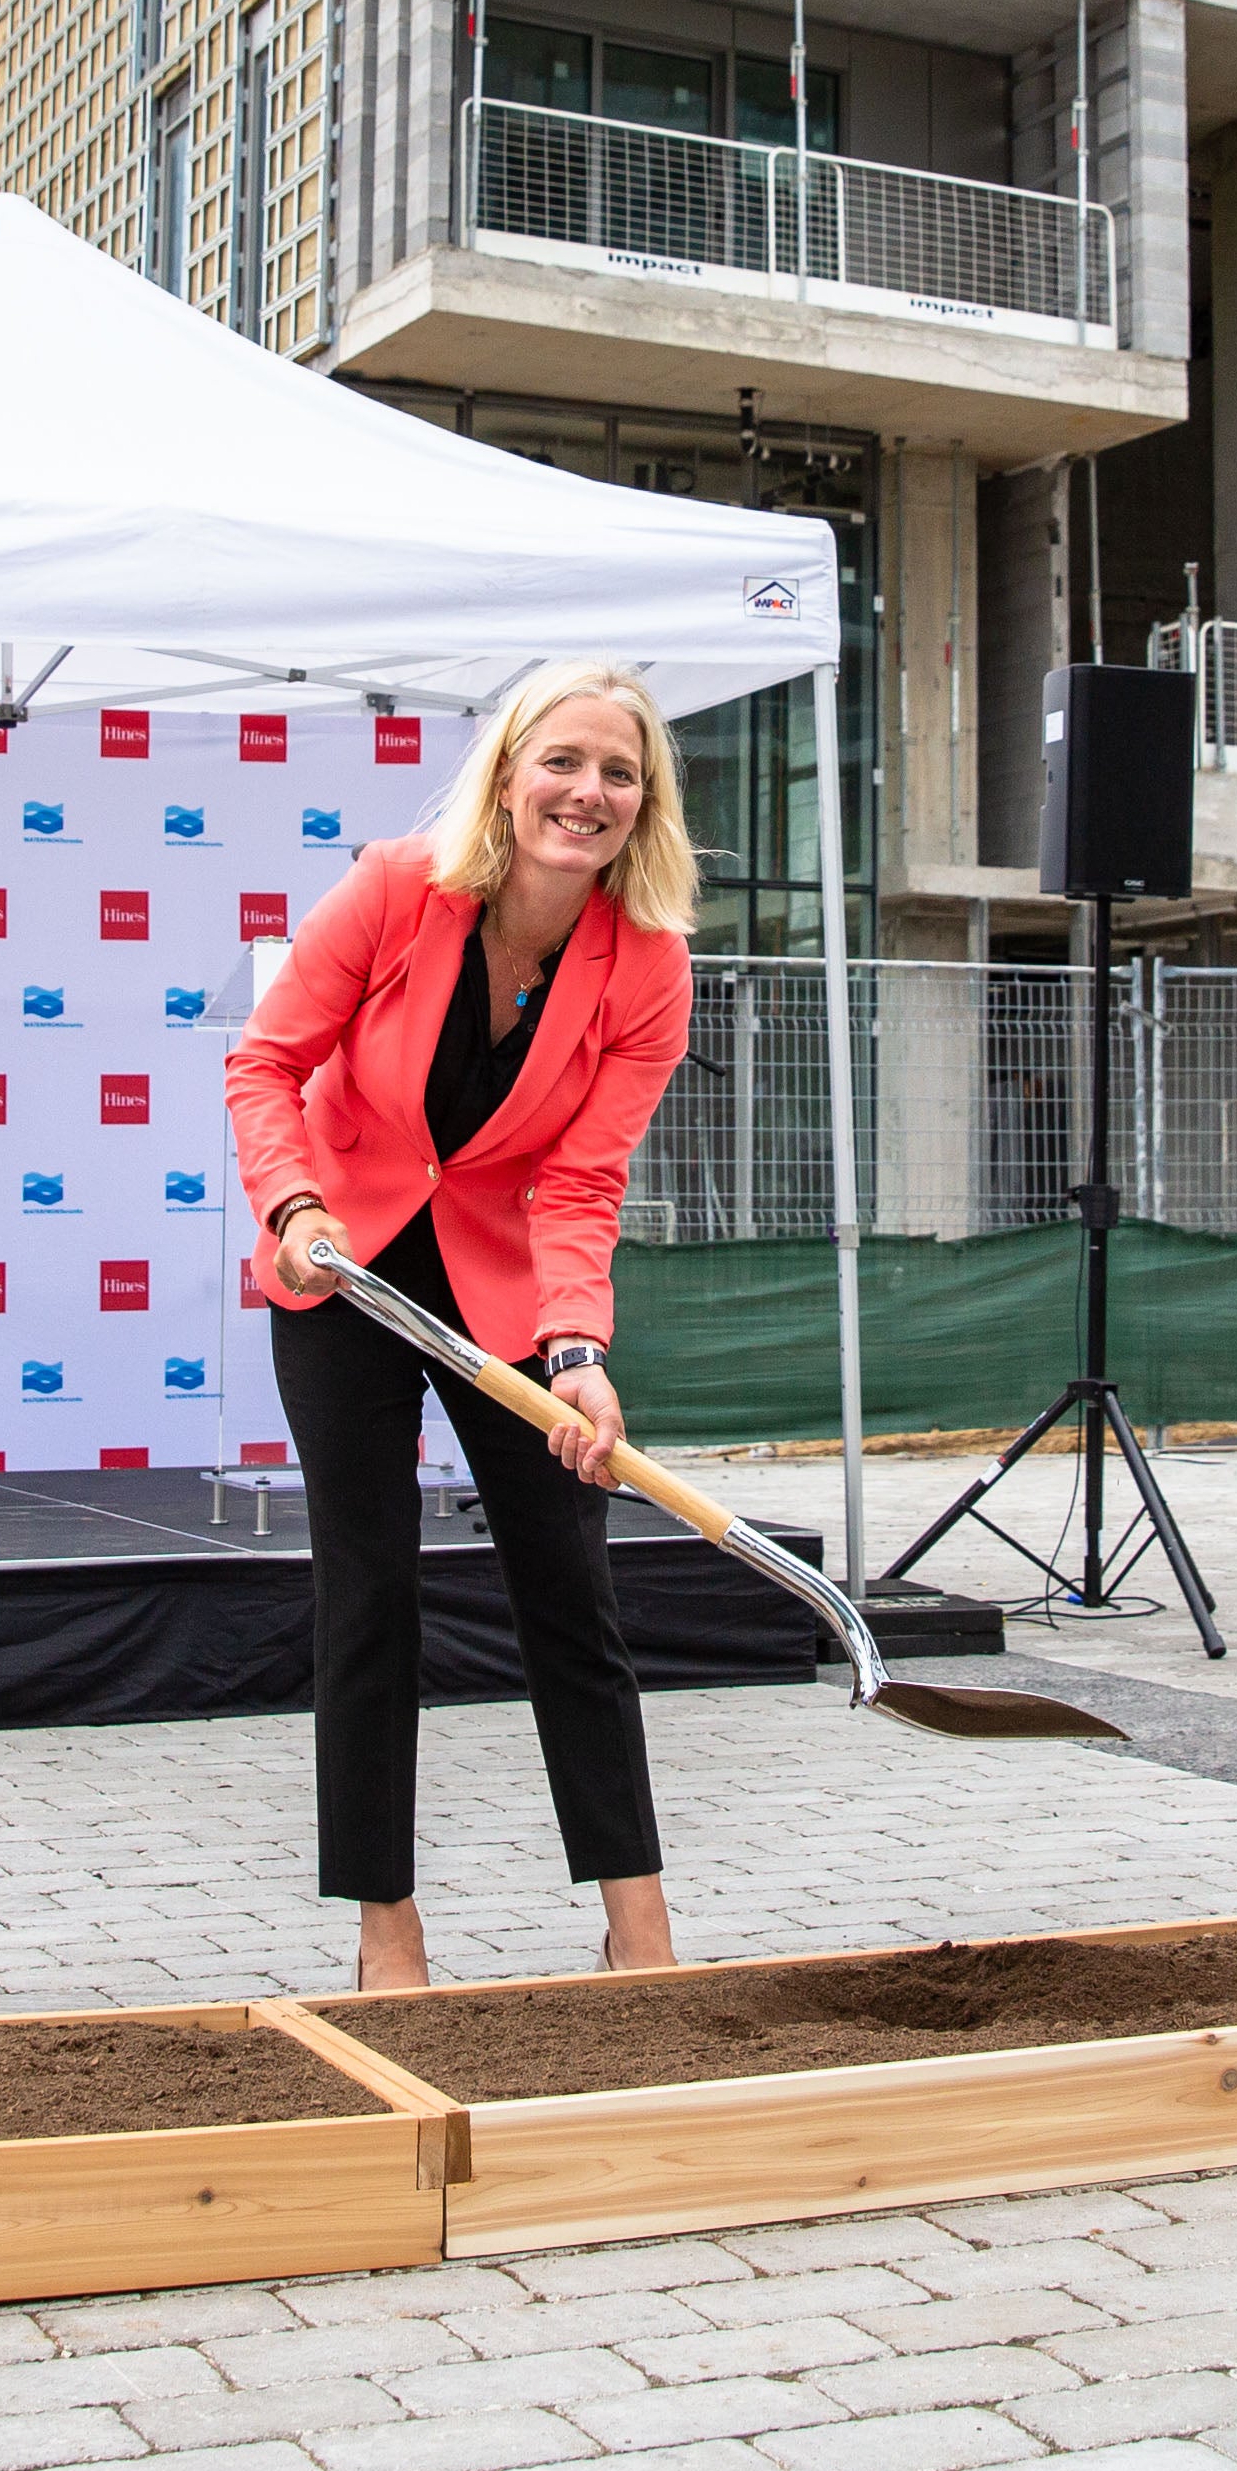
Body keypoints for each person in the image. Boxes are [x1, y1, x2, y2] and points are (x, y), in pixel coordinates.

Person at [225, 661, 702, 1991]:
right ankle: (389, 1934)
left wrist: (580, 1356)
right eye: (563, 761)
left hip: (505, 1296)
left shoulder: (648, 967)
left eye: (619, 773)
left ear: (644, 804)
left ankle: (640, 1932)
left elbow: (580, 1180)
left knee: (573, 1592)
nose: (587, 793)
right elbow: (265, 1061)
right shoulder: (397, 887)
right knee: (368, 1597)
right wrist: (295, 1203)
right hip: (347, 1271)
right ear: (508, 771)